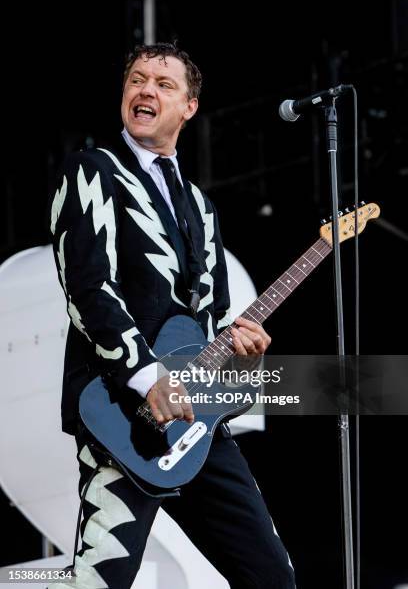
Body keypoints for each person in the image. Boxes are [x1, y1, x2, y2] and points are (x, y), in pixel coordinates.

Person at [50, 42, 296, 588]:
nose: (145, 91)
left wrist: (239, 344)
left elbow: (200, 326)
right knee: (102, 578)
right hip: (121, 412)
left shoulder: (202, 207)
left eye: (164, 84)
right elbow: (87, 288)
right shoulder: (93, 171)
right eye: (137, 80)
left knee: (272, 576)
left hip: (195, 421)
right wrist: (148, 377)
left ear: (189, 107)